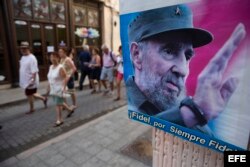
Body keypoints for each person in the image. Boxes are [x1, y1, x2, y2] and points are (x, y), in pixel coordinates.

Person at [127, 5, 246, 133]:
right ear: (137, 55)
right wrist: (190, 113)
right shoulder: (125, 105)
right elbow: (140, 136)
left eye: (187, 56)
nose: (183, 70)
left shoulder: (199, 129)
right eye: (169, 51)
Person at [19, 41, 47, 114]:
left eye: (24, 49)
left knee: (29, 94)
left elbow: (34, 71)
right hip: (25, 80)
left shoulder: (32, 58)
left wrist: (32, 81)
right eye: (22, 49)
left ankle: (32, 109)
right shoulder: (23, 57)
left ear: (28, 49)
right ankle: (44, 98)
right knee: (32, 94)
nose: (22, 50)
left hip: (30, 80)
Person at [47, 52, 74, 127]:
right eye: (51, 57)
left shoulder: (60, 67)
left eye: (54, 57)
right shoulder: (50, 67)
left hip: (59, 88)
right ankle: (70, 110)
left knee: (57, 104)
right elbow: (50, 77)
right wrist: (48, 87)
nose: (52, 59)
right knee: (60, 102)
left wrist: (64, 87)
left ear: (58, 58)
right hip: (53, 88)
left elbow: (65, 77)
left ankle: (59, 119)